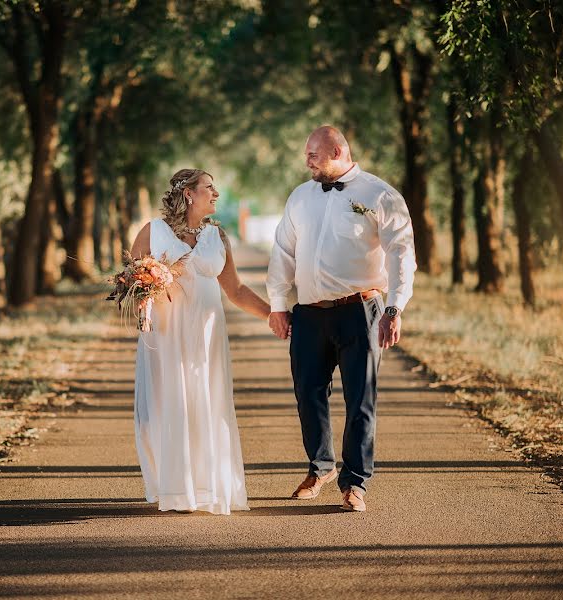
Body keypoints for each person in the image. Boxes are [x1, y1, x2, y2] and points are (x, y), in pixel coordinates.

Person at [266, 126, 416, 512]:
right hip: (309, 314)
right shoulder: (300, 196)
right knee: (308, 395)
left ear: (336, 150)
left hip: (360, 310)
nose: (307, 161)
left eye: (313, 154)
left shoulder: (380, 195)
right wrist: (278, 304)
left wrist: (395, 307)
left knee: (360, 400)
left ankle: (355, 483)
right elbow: (283, 251)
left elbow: (402, 254)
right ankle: (320, 467)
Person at [130, 168, 271, 515]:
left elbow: (235, 290)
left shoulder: (217, 237)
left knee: (206, 402)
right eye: (209, 187)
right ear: (189, 194)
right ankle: (174, 487)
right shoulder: (153, 232)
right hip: (165, 335)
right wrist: (143, 302)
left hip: (207, 337)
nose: (216, 193)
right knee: (166, 406)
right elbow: (131, 284)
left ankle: (206, 485)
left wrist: (274, 315)